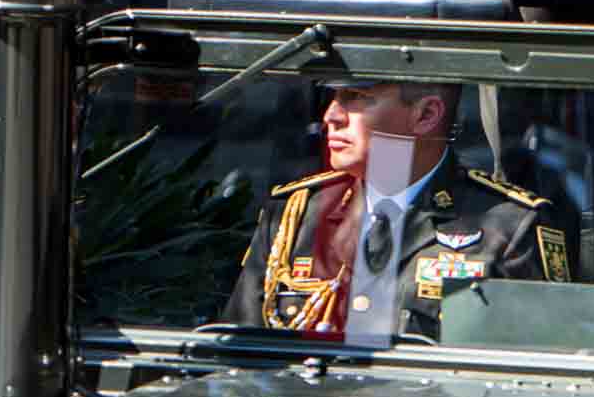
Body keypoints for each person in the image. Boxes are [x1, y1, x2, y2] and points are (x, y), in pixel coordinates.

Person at [226, 80, 574, 337]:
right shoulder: (296, 215)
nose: (331, 115)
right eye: (333, 97)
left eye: (357, 98)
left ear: (426, 115)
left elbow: (536, 385)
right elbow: (240, 361)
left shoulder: (509, 228)